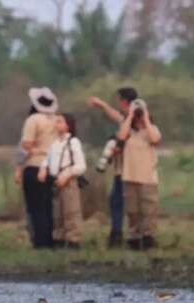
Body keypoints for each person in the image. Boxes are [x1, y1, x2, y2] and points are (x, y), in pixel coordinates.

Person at [88, 87, 138, 248]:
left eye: (118, 99)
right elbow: (114, 115)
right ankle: (116, 235)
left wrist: (119, 146)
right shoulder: (126, 118)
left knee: (126, 203)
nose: (117, 103)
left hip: (130, 171)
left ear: (123, 101)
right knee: (115, 201)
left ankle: (133, 236)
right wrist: (101, 104)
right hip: (120, 169)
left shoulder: (136, 119)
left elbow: (134, 140)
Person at [116, 99, 162, 250]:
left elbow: (155, 139)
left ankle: (148, 237)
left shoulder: (151, 129)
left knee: (148, 210)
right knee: (132, 210)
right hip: (130, 176)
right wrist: (129, 116)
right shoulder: (128, 131)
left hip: (148, 178)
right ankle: (134, 238)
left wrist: (146, 119)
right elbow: (121, 137)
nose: (138, 115)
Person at [19, 87, 59, 249]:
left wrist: (35, 150)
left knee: (35, 206)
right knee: (47, 205)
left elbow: (26, 144)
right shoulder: (56, 119)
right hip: (51, 166)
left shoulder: (33, 119)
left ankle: (39, 241)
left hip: (35, 164)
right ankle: (48, 239)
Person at [38, 113, 86, 249]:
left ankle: (73, 240)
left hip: (68, 181)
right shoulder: (55, 143)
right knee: (57, 213)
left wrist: (67, 173)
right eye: (56, 121)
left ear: (68, 125)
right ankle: (58, 239)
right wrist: (43, 168)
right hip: (55, 181)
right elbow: (48, 158)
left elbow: (81, 165)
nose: (56, 124)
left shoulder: (73, 142)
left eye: (60, 121)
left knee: (71, 211)